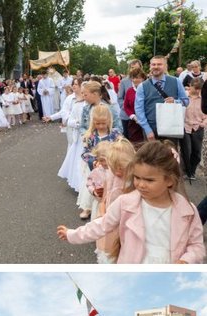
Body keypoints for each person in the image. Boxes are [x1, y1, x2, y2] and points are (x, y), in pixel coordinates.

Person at [58, 140, 206, 263]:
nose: (141, 184)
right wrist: (72, 234)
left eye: (149, 180)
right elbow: (101, 225)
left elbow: (197, 246)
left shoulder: (187, 210)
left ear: (169, 180)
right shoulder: (125, 203)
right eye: (137, 177)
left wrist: (186, 260)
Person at [136, 55, 190, 141]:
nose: (156, 67)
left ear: (165, 66)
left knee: (171, 154)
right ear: (150, 66)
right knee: (152, 154)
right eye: (153, 64)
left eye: (159, 64)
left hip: (172, 128)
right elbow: (139, 110)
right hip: (152, 129)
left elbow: (186, 101)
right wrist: (147, 130)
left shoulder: (176, 81)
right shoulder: (142, 86)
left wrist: (175, 101)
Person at [182, 78, 207, 181]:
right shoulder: (184, 96)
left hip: (198, 127)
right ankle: (188, 172)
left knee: (196, 153)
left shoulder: (204, 98)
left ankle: (192, 170)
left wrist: (203, 123)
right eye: (195, 88)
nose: (197, 90)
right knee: (187, 151)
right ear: (190, 85)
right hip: (185, 126)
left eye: (199, 89)